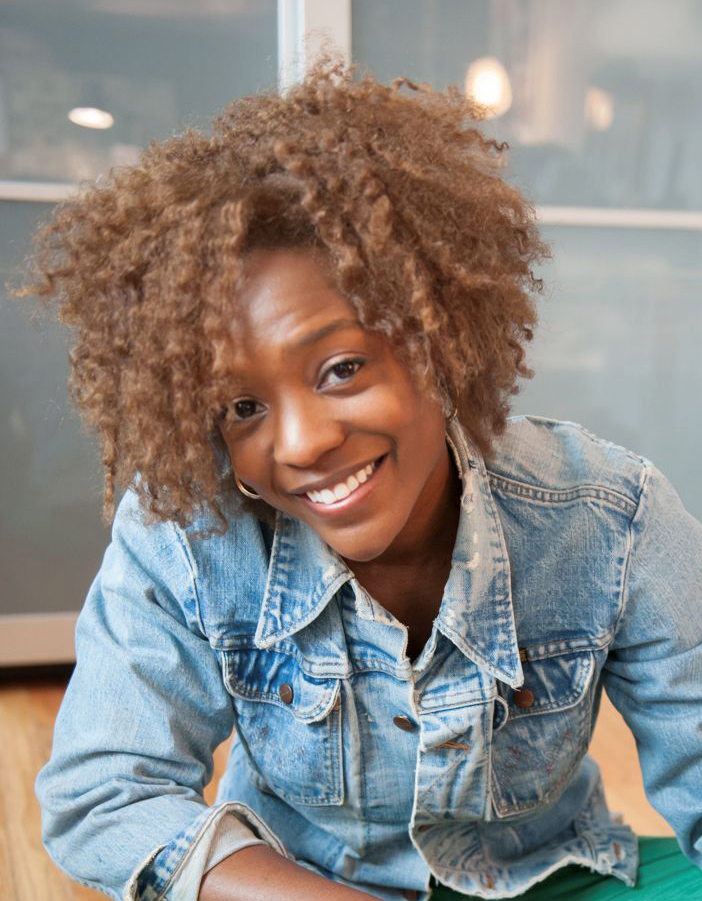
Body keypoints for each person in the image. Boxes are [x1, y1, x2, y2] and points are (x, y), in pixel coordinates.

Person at [25, 60, 702, 901]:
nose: (304, 442)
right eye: (241, 406)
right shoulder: (188, 536)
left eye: (342, 367)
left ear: (437, 336)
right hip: (303, 885)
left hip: (546, 875)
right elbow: (103, 795)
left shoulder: (611, 516)